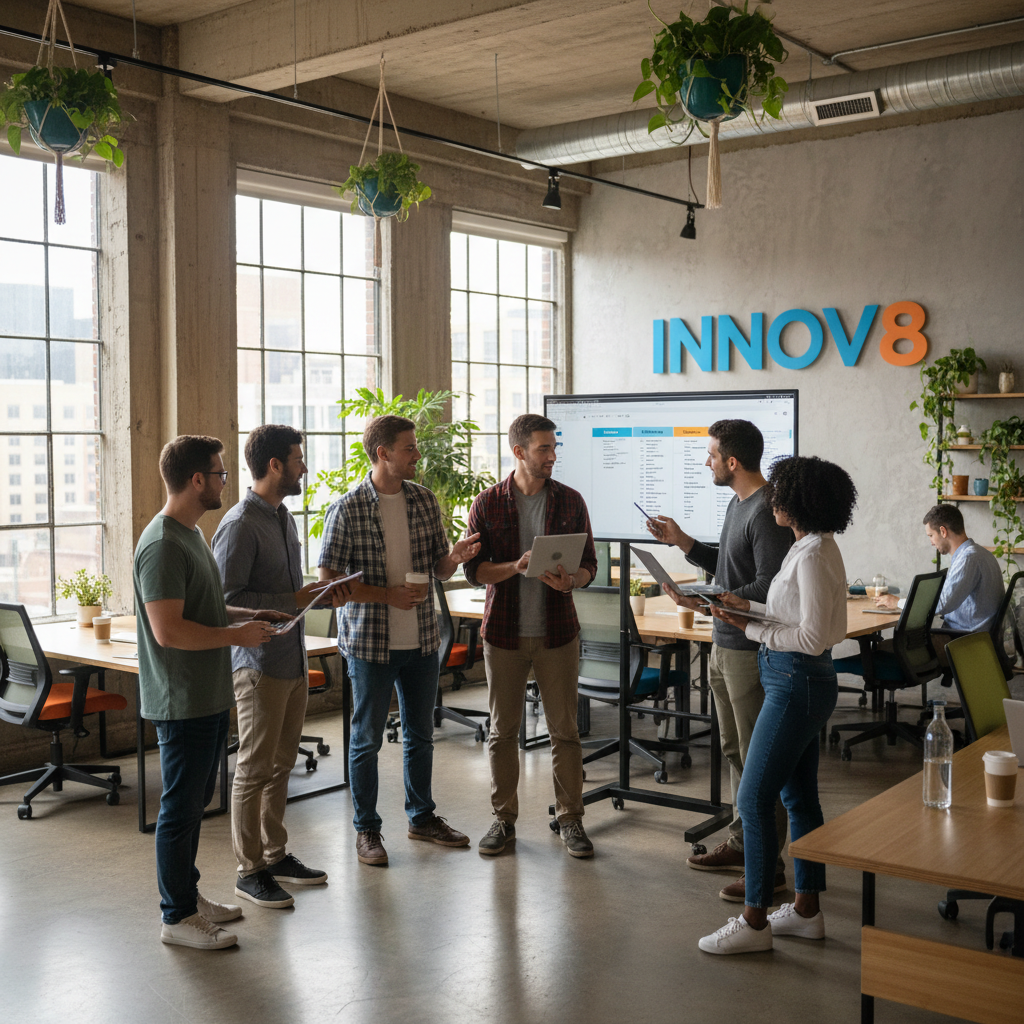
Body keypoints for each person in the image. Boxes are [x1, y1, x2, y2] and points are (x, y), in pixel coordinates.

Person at [696, 454, 856, 954]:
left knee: (753, 798)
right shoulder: (814, 546)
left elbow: (811, 636)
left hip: (794, 681)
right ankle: (807, 910)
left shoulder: (808, 555)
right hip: (801, 680)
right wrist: (748, 606)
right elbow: (802, 616)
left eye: (779, 490)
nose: (772, 497)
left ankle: (755, 921)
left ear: (796, 501)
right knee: (798, 797)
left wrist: (748, 626)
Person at [134, 434, 283, 950]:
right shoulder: (161, 544)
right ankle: (176, 917)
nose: (225, 481)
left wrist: (248, 614)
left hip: (208, 693)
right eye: (220, 474)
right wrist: (236, 636)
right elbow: (169, 631)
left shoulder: (192, 534)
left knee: (195, 802)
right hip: (181, 699)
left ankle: (188, 896)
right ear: (197, 480)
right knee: (179, 809)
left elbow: (204, 609)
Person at [317, 415, 480, 866]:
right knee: (366, 739)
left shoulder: (425, 501)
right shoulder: (346, 508)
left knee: (420, 735)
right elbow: (328, 585)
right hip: (370, 644)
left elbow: (440, 570)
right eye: (409, 448)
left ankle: (421, 818)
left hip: (423, 640)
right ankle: (367, 830)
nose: (418, 455)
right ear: (383, 453)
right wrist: (385, 595)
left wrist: (456, 556)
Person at [649, 419, 792, 901]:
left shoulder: (767, 512)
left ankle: (767, 867)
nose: (705, 462)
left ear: (732, 461)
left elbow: (769, 587)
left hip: (751, 652)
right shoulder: (737, 503)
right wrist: (683, 543)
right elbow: (730, 569)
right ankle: (741, 841)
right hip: (723, 645)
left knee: (758, 763)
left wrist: (712, 600)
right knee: (733, 750)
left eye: (710, 455)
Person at [212, 424, 337, 910]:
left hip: (292, 660)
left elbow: (289, 595)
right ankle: (250, 870)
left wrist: (318, 593)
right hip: (258, 665)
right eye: (298, 459)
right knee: (254, 768)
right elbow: (225, 601)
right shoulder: (240, 524)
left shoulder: (282, 517)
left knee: (282, 765)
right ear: (274, 465)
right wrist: (293, 597)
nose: (304, 466)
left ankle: (276, 853)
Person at [464, 413, 598, 858]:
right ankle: (503, 819)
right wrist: (515, 568)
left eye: (554, 448)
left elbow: (590, 566)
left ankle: (570, 819)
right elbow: (475, 572)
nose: (552, 456)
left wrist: (571, 580)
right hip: (503, 634)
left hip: (558, 633)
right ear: (519, 452)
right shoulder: (487, 504)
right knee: (503, 732)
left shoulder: (571, 502)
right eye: (544, 449)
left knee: (566, 732)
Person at [874, 504, 1004, 660]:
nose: (931, 542)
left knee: (882, 649)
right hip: (976, 638)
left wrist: (898, 602)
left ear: (943, 531)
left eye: (930, 535)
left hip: (964, 642)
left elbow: (942, 604)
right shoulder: (981, 554)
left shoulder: (968, 559)